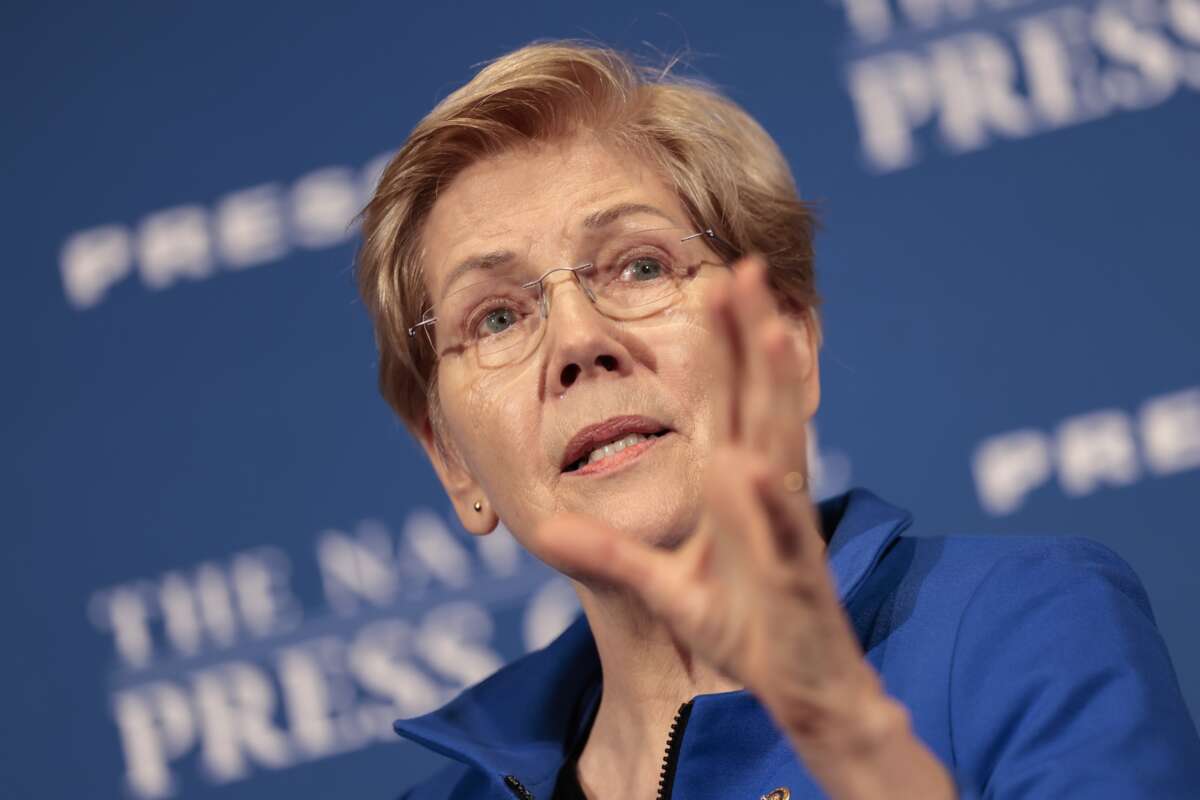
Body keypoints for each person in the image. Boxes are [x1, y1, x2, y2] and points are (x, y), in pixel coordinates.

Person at [355, 40, 1200, 800]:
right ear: (451, 458)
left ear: (785, 344)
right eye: (497, 317)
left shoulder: (1019, 627)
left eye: (641, 266)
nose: (578, 339)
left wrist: (860, 752)